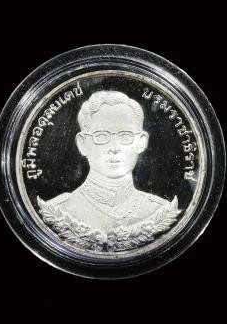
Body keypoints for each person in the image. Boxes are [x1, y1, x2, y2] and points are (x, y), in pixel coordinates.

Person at [44, 90, 171, 233]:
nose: (114, 148)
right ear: (82, 144)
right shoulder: (59, 211)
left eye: (125, 135)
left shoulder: (160, 210)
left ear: (141, 142)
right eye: (101, 136)